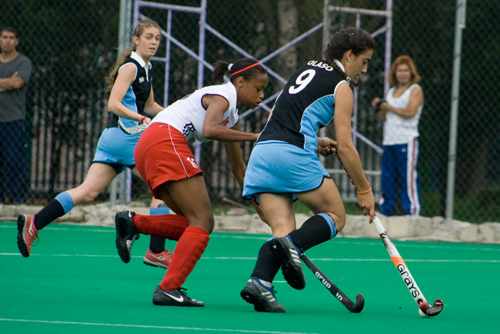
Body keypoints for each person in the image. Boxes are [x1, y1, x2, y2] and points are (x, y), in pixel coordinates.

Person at [239, 28, 376, 313]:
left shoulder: (307, 68)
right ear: (349, 55)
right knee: (336, 216)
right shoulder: (341, 86)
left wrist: (315, 141)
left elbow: (282, 117)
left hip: (262, 154)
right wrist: (365, 191)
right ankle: (291, 246)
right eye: (363, 61)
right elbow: (347, 148)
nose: (364, 69)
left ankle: (260, 282)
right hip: (291, 154)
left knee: (282, 230)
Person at [17, 19, 172, 268]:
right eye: (149, 37)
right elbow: (114, 104)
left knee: (87, 191)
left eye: (157, 38)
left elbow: (150, 105)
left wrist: (174, 116)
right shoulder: (131, 67)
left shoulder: (146, 67)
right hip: (128, 138)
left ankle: (34, 223)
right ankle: (157, 250)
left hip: (112, 140)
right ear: (136, 39)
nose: (154, 42)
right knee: (163, 189)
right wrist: (141, 118)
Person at [114, 57, 268, 307]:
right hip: (165, 140)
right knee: (204, 221)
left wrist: (256, 200)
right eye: (259, 88)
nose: (262, 96)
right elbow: (209, 130)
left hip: (148, 145)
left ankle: (134, 223)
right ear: (240, 82)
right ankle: (168, 288)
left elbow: (238, 167)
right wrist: (254, 136)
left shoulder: (232, 113)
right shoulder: (224, 95)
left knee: (195, 224)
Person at [371, 55, 423, 216]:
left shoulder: (415, 90)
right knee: (387, 176)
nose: (403, 73)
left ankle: (412, 211)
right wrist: (379, 106)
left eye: (406, 70)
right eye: (400, 70)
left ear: (411, 72)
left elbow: (410, 111)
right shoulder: (392, 91)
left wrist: (388, 106)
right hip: (389, 140)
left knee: (407, 177)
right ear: (395, 73)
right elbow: (384, 117)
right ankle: (387, 209)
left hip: (406, 139)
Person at [0, 27, 32, 205]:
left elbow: (17, 82)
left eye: (11, 37)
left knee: (14, 162)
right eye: (4, 37)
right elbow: (10, 83)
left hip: (13, 120)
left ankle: (16, 202)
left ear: (16, 41)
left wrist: (10, 83)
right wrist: (7, 83)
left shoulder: (23, 62)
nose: (7, 41)